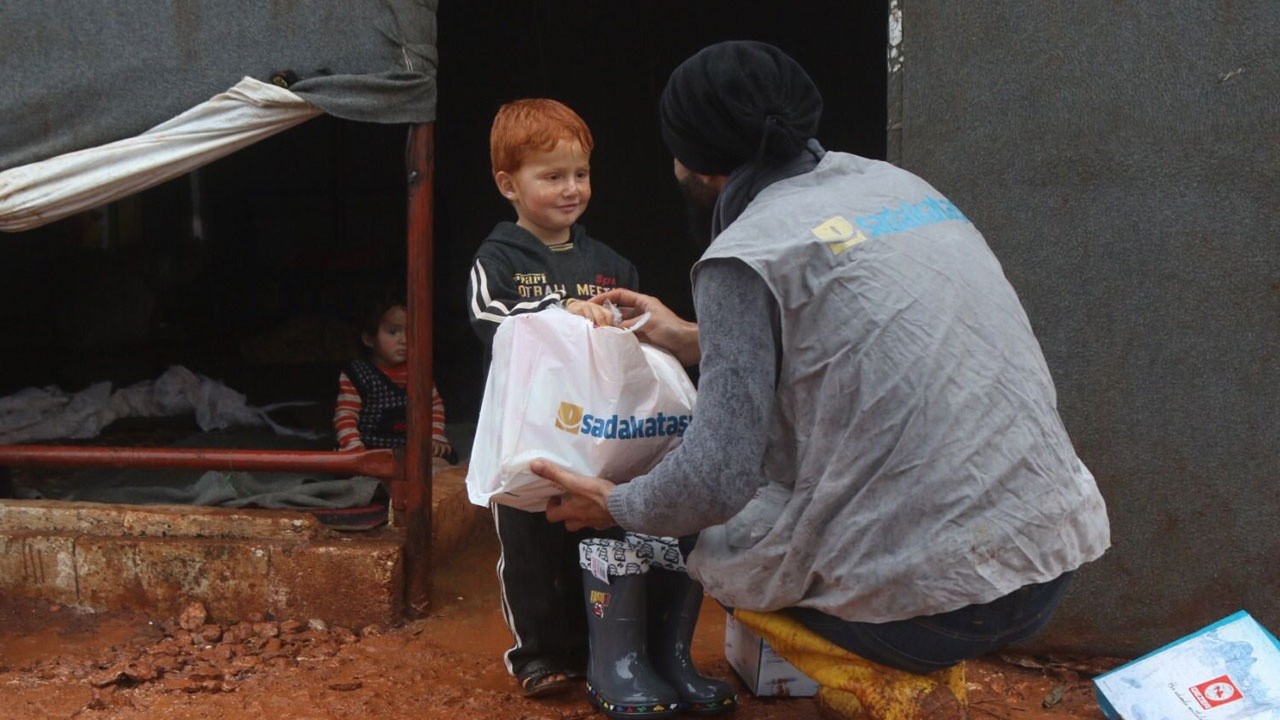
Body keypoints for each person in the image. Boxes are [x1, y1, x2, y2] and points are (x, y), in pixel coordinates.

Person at [535, 41, 1112, 719]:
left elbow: (715, 477)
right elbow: (854, 340)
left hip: (939, 606)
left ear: (695, 163)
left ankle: (889, 686)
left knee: (687, 531)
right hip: (1047, 559)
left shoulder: (744, 253)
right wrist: (694, 337)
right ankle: (914, 657)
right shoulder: (898, 187)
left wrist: (619, 504)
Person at [466, 99, 734, 716]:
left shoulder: (608, 262)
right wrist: (563, 315)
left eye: (580, 174)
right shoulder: (497, 260)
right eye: (551, 176)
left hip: (601, 435)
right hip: (530, 434)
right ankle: (538, 657)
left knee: (599, 538)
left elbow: (635, 340)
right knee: (530, 547)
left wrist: (627, 322)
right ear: (509, 184)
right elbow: (490, 320)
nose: (571, 189)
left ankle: (607, 650)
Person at [334, 293, 453, 466]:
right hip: (369, 450)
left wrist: (435, 437)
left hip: (411, 451)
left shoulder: (419, 371)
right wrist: (354, 448)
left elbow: (433, 406)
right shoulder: (357, 374)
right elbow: (345, 415)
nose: (404, 340)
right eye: (393, 332)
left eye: (410, 331)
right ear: (369, 338)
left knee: (439, 465)